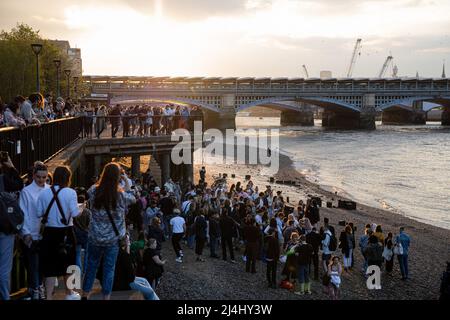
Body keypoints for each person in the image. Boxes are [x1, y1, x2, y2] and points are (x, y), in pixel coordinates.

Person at [81, 162, 135, 300]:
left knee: (91, 266)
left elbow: (87, 196)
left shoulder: (93, 190)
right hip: (112, 239)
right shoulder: (121, 195)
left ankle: (85, 294)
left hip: (95, 236)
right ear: (118, 177)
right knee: (109, 269)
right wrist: (126, 181)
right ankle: (107, 296)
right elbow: (133, 198)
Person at [36, 166, 81, 300]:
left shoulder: (44, 192)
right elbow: (74, 213)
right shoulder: (71, 192)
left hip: (49, 232)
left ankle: (49, 296)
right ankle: (70, 293)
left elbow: (39, 213)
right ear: (68, 178)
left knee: (50, 266)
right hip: (66, 232)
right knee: (70, 263)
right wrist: (82, 209)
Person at [19, 161, 49, 300]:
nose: (42, 180)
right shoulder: (26, 191)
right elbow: (23, 213)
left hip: (46, 233)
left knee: (42, 265)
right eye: (39, 177)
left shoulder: (49, 189)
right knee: (32, 265)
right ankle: (35, 290)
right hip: (31, 233)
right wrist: (25, 233)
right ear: (33, 175)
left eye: (44, 177)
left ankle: (38, 289)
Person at [0, 153, 24, 300]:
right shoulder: (5, 180)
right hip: (5, 229)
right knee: (4, 268)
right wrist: (11, 167)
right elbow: (19, 184)